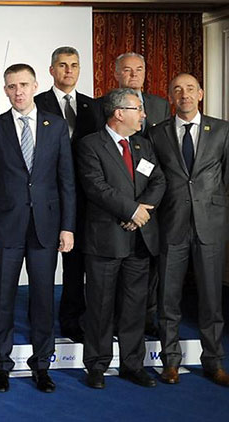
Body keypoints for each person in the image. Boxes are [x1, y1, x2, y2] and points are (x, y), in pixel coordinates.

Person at [0, 64, 75, 393]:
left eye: (23, 84)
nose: (18, 91)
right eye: (11, 86)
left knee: (43, 299)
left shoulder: (56, 125)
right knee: (2, 299)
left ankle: (42, 365)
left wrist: (68, 227)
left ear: (35, 86)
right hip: (4, 228)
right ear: (5, 90)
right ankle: (2, 365)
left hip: (46, 227)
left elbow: (66, 180)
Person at [77, 88, 165, 389]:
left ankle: (132, 364)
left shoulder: (143, 144)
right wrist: (131, 211)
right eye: (138, 109)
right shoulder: (90, 145)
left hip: (139, 239)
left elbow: (158, 180)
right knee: (100, 307)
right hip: (105, 240)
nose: (143, 114)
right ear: (119, 113)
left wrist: (141, 212)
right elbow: (96, 187)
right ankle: (97, 365)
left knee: (134, 307)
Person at [150, 73, 229, 387]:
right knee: (168, 298)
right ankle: (170, 362)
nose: (184, 94)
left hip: (210, 224)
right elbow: (153, 178)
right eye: (177, 90)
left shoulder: (222, 130)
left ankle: (213, 362)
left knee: (211, 300)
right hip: (172, 224)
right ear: (170, 96)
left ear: (201, 94)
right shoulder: (157, 133)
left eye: (190, 89)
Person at [34, 46, 104, 342]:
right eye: (62, 65)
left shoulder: (94, 107)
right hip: (47, 195)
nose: (69, 70)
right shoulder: (36, 102)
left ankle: (73, 320)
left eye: (74, 65)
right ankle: (40, 322)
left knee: (76, 265)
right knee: (43, 265)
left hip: (86, 197)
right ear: (52, 70)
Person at [111, 51, 170, 338]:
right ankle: (115, 319)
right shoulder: (104, 105)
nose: (133, 74)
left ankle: (148, 317)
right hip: (119, 201)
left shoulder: (160, 105)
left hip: (154, 197)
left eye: (139, 69)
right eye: (127, 70)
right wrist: (129, 209)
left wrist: (144, 207)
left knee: (150, 265)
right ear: (116, 74)